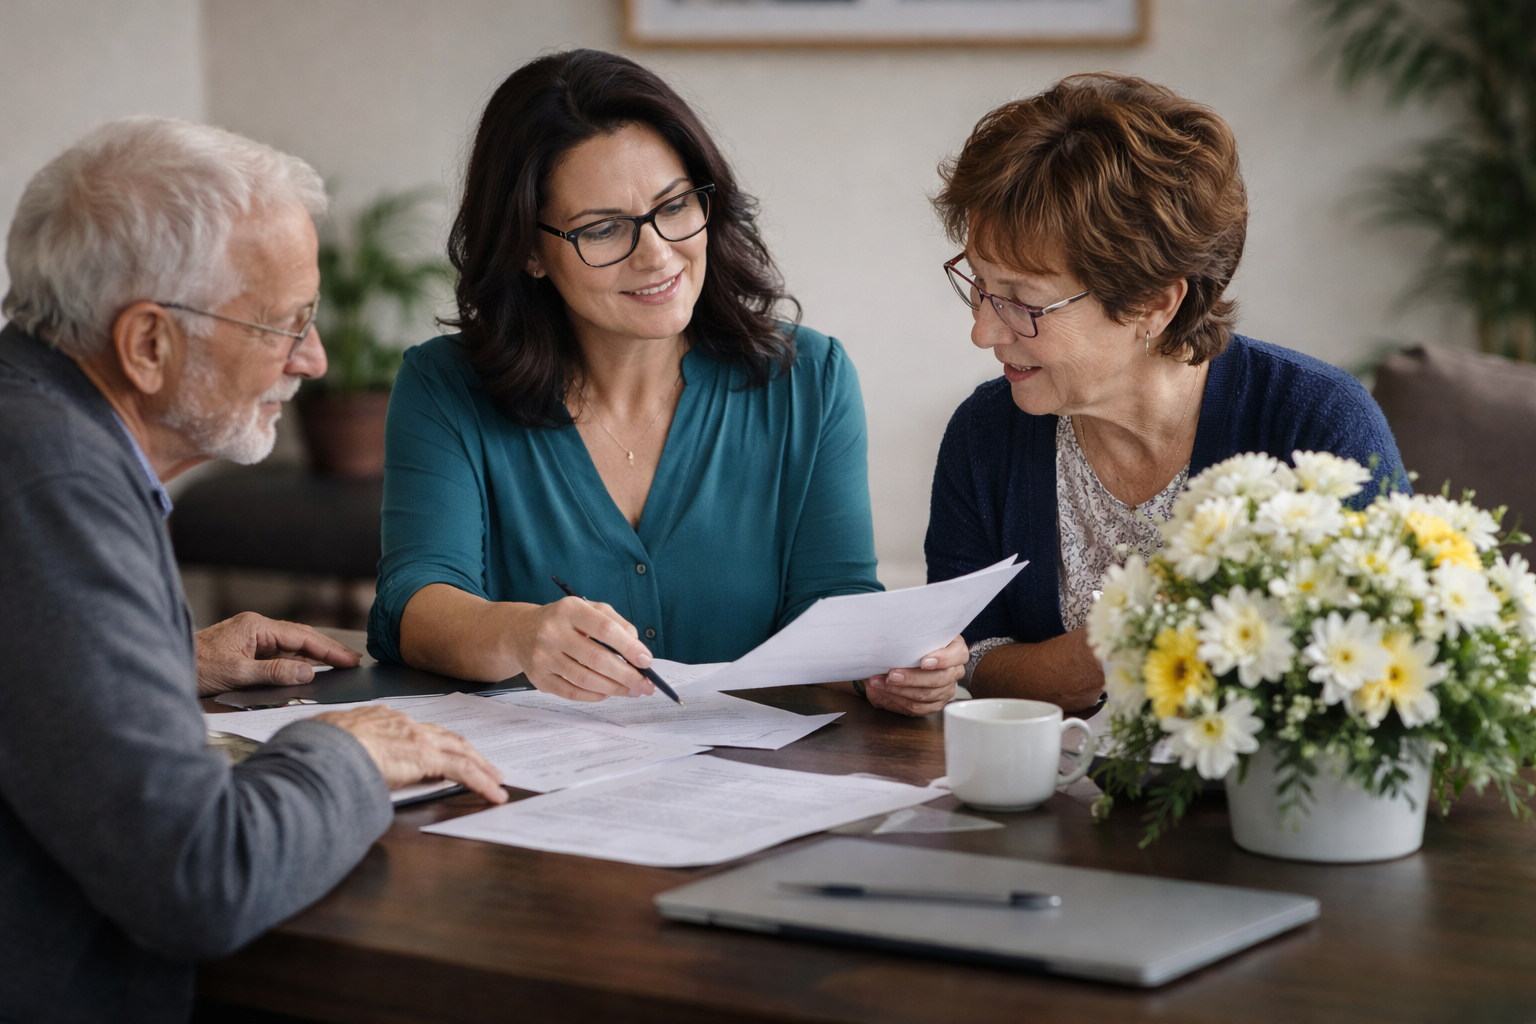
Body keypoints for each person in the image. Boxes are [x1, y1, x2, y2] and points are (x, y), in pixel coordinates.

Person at [0, 117, 507, 1022]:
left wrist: (157, 660)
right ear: (148, 344)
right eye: (287, 324)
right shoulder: (54, 480)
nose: (312, 360)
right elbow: (198, 876)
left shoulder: (31, 423)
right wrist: (346, 753)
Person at [367, 49, 964, 716]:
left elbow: (833, 599)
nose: (657, 254)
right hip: (535, 792)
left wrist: (888, 664)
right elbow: (413, 601)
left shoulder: (809, 379)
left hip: (759, 792)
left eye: (674, 206)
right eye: (602, 228)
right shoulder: (445, 386)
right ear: (529, 251)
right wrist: (519, 633)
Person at [925, 73, 1406, 713]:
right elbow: (970, 657)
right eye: (980, 286)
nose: (983, 331)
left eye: (1021, 302)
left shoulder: (1315, 427)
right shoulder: (986, 433)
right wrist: (1095, 654)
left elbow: (1384, 669)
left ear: (1155, 302)